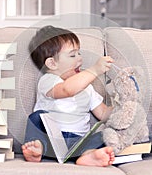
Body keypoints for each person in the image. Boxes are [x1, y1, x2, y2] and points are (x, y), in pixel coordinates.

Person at [22, 25, 115, 167]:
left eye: (79, 53)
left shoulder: (87, 88)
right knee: (36, 117)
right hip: (51, 139)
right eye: (73, 55)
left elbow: (103, 113)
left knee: (106, 134)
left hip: (78, 141)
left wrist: (123, 108)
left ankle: (86, 155)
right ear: (52, 63)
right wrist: (95, 70)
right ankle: (37, 149)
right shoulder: (48, 81)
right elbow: (66, 90)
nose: (79, 59)